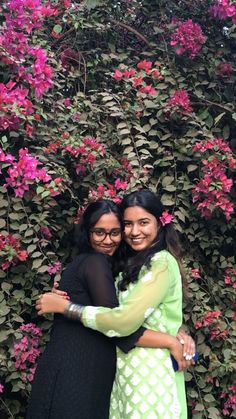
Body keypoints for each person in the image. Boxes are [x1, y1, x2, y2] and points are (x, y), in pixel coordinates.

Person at [36, 190, 193, 419]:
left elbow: (122, 322)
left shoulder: (159, 263)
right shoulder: (113, 266)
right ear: (87, 233)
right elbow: (122, 320)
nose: (134, 231)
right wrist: (169, 337)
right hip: (95, 372)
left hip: (142, 377)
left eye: (143, 223)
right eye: (128, 224)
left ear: (161, 223)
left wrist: (175, 332)